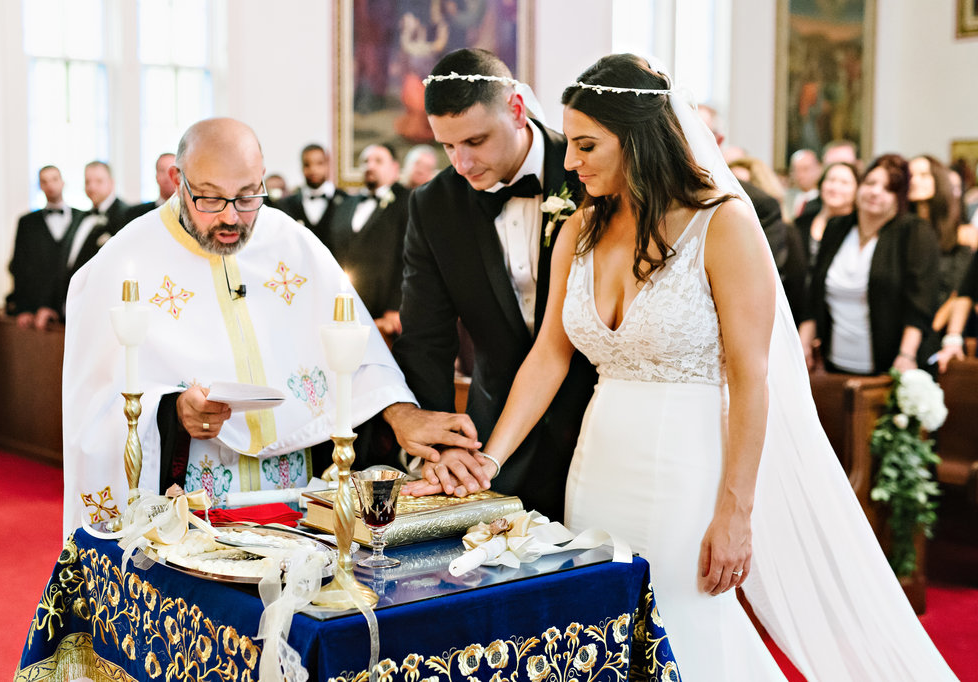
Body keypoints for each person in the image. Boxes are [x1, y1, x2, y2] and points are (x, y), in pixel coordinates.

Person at [407, 54, 957, 681]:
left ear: (638, 138)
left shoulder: (722, 223)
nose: (569, 162)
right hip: (597, 470)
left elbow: (752, 378)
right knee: (606, 634)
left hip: (688, 475)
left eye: (587, 145)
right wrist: (490, 462)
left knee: (684, 629)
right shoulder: (580, 228)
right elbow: (549, 357)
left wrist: (736, 512)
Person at [60, 118, 472, 538]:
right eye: (210, 199)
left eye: (246, 197)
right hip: (189, 500)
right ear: (176, 180)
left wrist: (400, 412)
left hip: (300, 494)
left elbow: (357, 355)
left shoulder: (294, 243)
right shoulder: (122, 262)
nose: (230, 218)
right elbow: (92, 409)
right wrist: (171, 410)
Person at [388, 48, 598, 521]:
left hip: (599, 429)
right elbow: (426, 339)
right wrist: (442, 447)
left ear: (517, 111)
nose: (461, 163)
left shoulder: (591, 173)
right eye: (447, 146)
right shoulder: (434, 206)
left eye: (475, 141)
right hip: (492, 439)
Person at [799, 154, 940, 375]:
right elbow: (815, 290)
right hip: (834, 364)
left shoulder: (914, 231)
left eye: (888, 188)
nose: (876, 192)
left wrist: (907, 355)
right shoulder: (837, 227)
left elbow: (920, 303)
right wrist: (803, 344)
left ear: (899, 197)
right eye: (870, 183)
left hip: (890, 366)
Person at [329, 143, 409, 338]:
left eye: (378, 161)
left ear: (395, 168)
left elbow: (407, 258)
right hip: (347, 308)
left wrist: (395, 307)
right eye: (365, 161)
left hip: (385, 312)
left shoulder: (407, 202)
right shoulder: (345, 204)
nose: (369, 166)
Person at [5, 165, 83, 330]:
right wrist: (24, 308)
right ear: (40, 186)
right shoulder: (27, 222)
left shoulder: (82, 218)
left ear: (63, 182)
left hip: (73, 307)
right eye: (44, 181)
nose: (50, 185)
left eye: (54, 179)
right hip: (36, 312)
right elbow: (19, 266)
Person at [909, 155, 975, 340]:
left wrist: (929, 331)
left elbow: (959, 290)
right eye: (910, 175)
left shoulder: (961, 234)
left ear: (938, 179)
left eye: (923, 175)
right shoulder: (903, 230)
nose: (914, 181)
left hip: (940, 331)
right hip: (903, 329)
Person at [65, 161, 131, 280]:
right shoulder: (80, 216)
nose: (92, 187)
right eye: (87, 182)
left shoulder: (125, 215)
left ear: (111, 183)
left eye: (98, 181)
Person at [274, 144, 347, 246]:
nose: (313, 169)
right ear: (302, 167)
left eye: (319, 163)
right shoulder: (287, 204)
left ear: (328, 165)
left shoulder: (346, 201)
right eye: (307, 164)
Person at [793, 161, 859, 270]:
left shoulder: (858, 227)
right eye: (831, 180)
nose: (835, 187)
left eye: (844, 183)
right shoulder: (801, 222)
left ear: (857, 189)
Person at [123, 153, 176, 224]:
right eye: (162, 171)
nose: (168, 177)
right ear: (156, 176)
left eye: (172, 171)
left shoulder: (191, 214)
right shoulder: (135, 214)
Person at [784, 148, 822, 218]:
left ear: (819, 168)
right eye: (795, 170)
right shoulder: (785, 197)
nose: (800, 175)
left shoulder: (824, 199)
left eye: (805, 169)